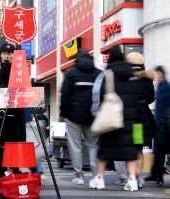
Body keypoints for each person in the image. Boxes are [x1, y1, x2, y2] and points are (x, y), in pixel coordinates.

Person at [89, 45, 143, 192]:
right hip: (130, 120)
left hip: (110, 119)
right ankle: (132, 180)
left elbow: (96, 98)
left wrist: (96, 115)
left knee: (105, 150)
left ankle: (99, 179)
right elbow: (139, 98)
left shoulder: (106, 74)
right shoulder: (132, 76)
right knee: (129, 151)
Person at [113, 52, 155, 188]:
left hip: (127, 116)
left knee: (127, 148)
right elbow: (150, 98)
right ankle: (139, 178)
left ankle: (131, 178)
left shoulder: (123, 78)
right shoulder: (148, 79)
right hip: (141, 116)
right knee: (138, 149)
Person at [60, 49, 101, 185]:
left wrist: (64, 114)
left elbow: (65, 94)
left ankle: (79, 176)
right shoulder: (98, 73)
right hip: (93, 117)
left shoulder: (71, 73)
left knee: (75, 146)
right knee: (93, 146)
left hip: (73, 116)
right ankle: (96, 177)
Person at [0, 43, 26, 178]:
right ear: (0, 56)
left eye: (9, 53)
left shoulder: (20, 74)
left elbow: (25, 93)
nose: (7, 56)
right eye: (4, 53)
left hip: (16, 114)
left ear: (14, 56)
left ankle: (15, 173)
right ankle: (2, 175)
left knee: (15, 142)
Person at [152, 66, 170, 186]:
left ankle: (158, 173)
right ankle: (158, 174)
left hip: (166, 124)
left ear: (162, 74)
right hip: (160, 124)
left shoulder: (167, 87)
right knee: (159, 150)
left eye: (158, 74)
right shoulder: (159, 87)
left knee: (162, 149)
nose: (156, 77)